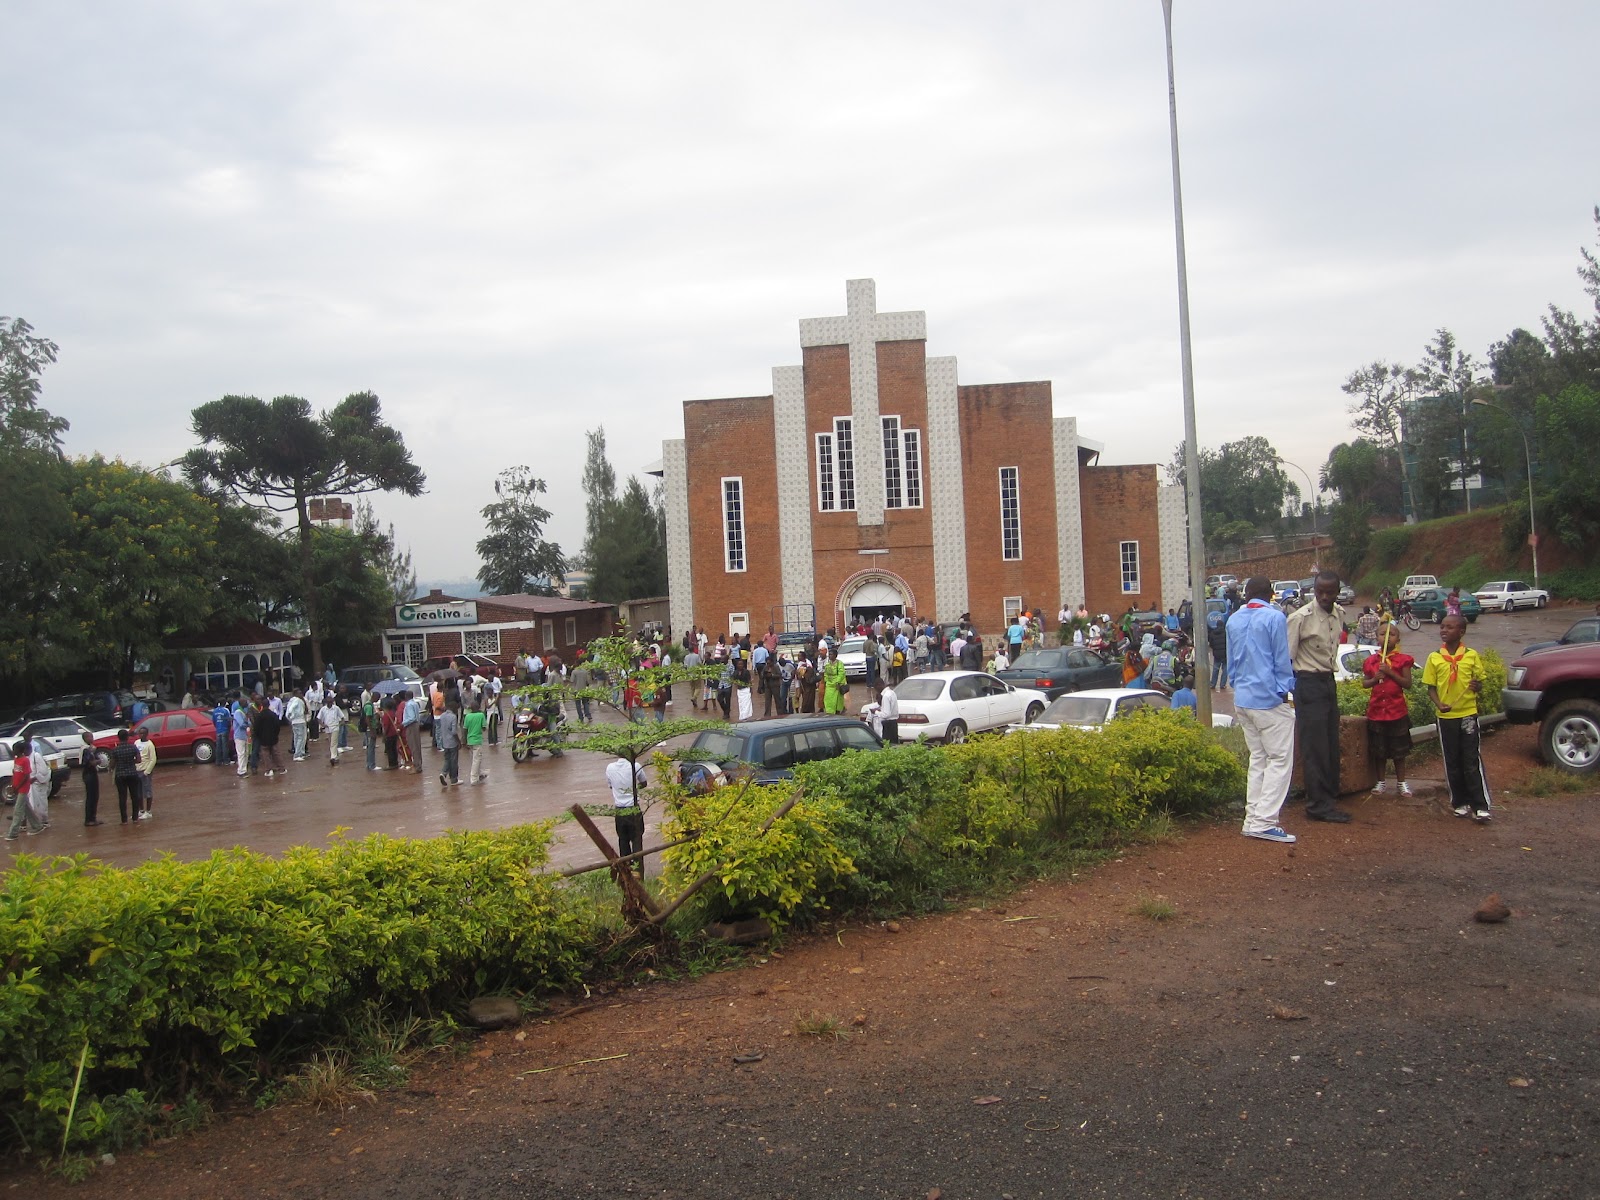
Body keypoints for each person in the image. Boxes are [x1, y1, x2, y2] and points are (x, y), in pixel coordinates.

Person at [1226, 576, 1298, 844]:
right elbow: (1281, 659)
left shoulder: (1234, 619)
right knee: (1279, 759)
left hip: (1242, 699)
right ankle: (1265, 821)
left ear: (1246, 594)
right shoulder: (1274, 617)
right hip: (1268, 699)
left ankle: (1253, 818)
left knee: (1258, 758)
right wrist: (1285, 690)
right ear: (1270, 594)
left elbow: (1232, 663)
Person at [1287, 569, 1349, 824]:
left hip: (1327, 682)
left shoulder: (1340, 615)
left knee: (1331, 743)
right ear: (1314, 591)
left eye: (1330, 592)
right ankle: (1317, 805)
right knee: (1315, 747)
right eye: (1320, 591)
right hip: (1308, 683)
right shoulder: (1300, 618)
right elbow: (1286, 658)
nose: (1324, 596)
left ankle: (1329, 797)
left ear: (1337, 592)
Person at [1424, 613, 1492, 822]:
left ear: (1461, 632)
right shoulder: (1434, 657)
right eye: (1442, 626)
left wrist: (1476, 685)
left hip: (1468, 714)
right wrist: (1439, 704)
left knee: (1471, 760)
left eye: (1450, 627)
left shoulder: (1471, 655)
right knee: (1451, 760)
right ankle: (1459, 802)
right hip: (1445, 717)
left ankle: (1480, 806)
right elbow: (1431, 688)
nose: (1444, 630)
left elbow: (1479, 683)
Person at [1362, 623, 1415, 797]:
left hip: (1397, 711)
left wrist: (1390, 672)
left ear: (1397, 639)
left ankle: (1401, 783)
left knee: (1399, 751)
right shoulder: (1371, 661)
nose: (1386, 637)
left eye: (1391, 634)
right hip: (1377, 712)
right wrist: (1376, 678)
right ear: (1376, 637)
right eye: (1382, 634)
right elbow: (1365, 683)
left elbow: (1407, 684)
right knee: (1379, 751)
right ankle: (1381, 782)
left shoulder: (1403, 660)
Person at [605, 755, 648, 876]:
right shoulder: (636, 766)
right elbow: (644, 783)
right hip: (634, 809)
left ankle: (626, 875)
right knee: (637, 842)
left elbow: (610, 785)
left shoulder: (610, 768)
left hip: (619, 811)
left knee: (623, 842)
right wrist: (633, 789)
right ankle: (639, 875)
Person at [5, 739, 44, 840]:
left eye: (15, 749)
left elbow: (26, 776)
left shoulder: (25, 760)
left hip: (23, 788)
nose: (13, 751)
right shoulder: (16, 759)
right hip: (17, 788)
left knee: (18, 811)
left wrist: (17, 788)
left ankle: (13, 834)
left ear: (20, 750)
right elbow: (15, 774)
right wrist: (12, 785)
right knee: (27, 808)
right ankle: (37, 826)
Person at [105, 730, 144, 826]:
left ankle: (124, 820)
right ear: (128, 737)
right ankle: (135, 818)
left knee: (122, 798)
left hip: (120, 775)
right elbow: (139, 760)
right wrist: (131, 762)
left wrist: (112, 767)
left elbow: (112, 764)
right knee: (134, 796)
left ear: (118, 738)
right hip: (132, 774)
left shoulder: (115, 750)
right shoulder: (133, 747)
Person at [253, 698, 286, 779]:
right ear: (269, 705)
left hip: (263, 739)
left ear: (262, 705)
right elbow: (278, 726)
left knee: (265, 755)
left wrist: (259, 736)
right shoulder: (273, 715)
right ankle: (281, 768)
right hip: (273, 738)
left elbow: (256, 728)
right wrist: (275, 735)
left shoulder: (259, 716)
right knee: (276, 753)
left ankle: (269, 770)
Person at [463, 698, 489, 783]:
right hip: (477, 740)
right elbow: (484, 727)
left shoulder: (467, 716)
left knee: (476, 758)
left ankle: (480, 773)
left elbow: (465, 729)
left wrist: (464, 741)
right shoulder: (481, 715)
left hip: (469, 740)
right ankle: (473, 778)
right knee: (476, 759)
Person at [436, 703, 461, 787]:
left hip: (445, 742)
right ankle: (454, 779)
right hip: (452, 742)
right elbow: (454, 732)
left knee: (447, 759)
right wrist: (458, 741)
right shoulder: (453, 717)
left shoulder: (442, 716)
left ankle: (443, 773)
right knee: (453, 761)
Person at [135, 726, 157, 819]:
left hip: (145, 770)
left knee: (147, 791)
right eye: (140, 733)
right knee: (138, 792)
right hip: (137, 770)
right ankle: (141, 810)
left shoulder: (150, 744)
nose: (141, 735)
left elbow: (153, 759)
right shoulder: (136, 742)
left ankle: (148, 811)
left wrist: (147, 771)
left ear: (147, 734)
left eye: (143, 733)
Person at [1206, 606, 1229, 691]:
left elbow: (1211, 644)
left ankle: (1213, 684)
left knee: (1215, 669)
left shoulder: (1213, 633)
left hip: (1217, 654)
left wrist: (1215, 649)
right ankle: (1222, 684)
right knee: (1225, 670)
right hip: (1225, 654)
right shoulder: (1226, 633)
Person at [318, 693, 343, 766]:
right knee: (331, 743)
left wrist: (340, 724)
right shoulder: (323, 709)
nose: (329, 704)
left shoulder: (336, 708)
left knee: (333, 743)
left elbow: (342, 717)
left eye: (331, 702)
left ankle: (333, 757)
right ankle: (336, 756)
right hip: (327, 728)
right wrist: (323, 725)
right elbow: (318, 718)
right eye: (328, 702)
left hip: (335, 727)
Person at [401, 689, 423, 770]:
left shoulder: (409, 705)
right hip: (415, 725)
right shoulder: (414, 703)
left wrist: (403, 723)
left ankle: (417, 766)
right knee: (417, 745)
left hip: (411, 726)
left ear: (406, 696)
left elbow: (412, 717)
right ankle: (418, 764)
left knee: (413, 746)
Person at [285, 689, 308, 762]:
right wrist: (291, 716)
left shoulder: (291, 700)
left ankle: (299, 752)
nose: (301, 695)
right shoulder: (297, 700)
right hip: (299, 720)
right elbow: (291, 709)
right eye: (300, 693)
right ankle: (297, 754)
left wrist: (290, 718)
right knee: (301, 737)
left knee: (297, 737)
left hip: (295, 721)